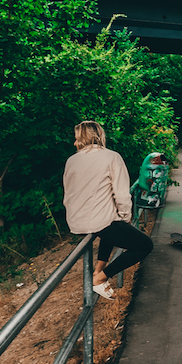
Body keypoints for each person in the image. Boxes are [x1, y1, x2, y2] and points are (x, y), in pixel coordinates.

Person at [62, 121, 153, 300]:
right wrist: (126, 216)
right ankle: (101, 279)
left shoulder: (71, 160)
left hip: (75, 221)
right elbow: (121, 193)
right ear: (98, 136)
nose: (74, 143)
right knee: (145, 245)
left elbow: (68, 192)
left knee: (110, 226)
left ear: (83, 138)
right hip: (98, 221)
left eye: (76, 139)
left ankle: (98, 270)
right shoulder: (111, 157)